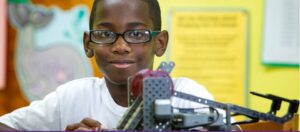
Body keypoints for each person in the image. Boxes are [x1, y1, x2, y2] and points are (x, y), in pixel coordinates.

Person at [0, 0, 231, 130]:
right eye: (104, 33)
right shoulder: (72, 97)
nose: (121, 46)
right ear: (88, 44)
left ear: (159, 43)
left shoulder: (185, 94)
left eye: (137, 34)